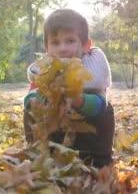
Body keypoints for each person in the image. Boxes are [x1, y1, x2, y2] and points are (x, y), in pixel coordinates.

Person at [24, 9, 115, 167]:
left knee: (107, 110)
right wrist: (43, 99)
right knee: (30, 108)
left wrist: (79, 101)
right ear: (47, 48)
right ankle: (38, 154)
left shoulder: (91, 69)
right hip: (53, 136)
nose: (62, 48)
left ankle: (100, 161)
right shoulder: (45, 69)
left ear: (85, 45)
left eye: (70, 41)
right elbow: (29, 98)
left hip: (88, 141)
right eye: (55, 42)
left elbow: (101, 105)